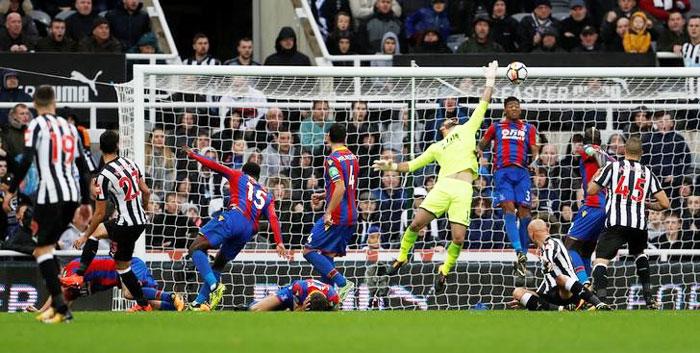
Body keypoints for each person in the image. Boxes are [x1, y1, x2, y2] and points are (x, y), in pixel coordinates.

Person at [375, 61, 498, 292]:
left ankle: (445, 270)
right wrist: (390, 165)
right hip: (443, 187)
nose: (452, 120)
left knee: (459, 238)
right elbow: (411, 166)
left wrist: (490, 80)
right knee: (415, 223)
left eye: (454, 118)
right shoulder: (436, 147)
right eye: (448, 120)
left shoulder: (467, 128)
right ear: (443, 126)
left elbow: (483, 104)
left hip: (463, 190)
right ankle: (401, 258)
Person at [2, 86, 93, 324]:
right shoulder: (70, 127)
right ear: (55, 102)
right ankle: (56, 306)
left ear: (35, 103)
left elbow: (28, 159)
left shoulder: (36, 125)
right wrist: (86, 202)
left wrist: (10, 191)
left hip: (49, 197)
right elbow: (83, 167)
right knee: (48, 248)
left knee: (42, 250)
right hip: (71, 195)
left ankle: (61, 309)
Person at [182, 146, 287, 311]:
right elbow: (273, 218)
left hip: (235, 217)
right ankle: (199, 302)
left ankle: (214, 285)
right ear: (258, 177)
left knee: (195, 248)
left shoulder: (238, 176)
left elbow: (214, 165)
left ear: (244, 171)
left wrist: (194, 155)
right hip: (248, 230)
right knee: (219, 262)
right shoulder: (267, 195)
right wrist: (279, 242)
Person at [60, 130, 152, 312]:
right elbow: (146, 191)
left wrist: (85, 236)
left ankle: (78, 275)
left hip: (126, 223)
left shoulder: (103, 176)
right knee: (123, 267)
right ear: (117, 146)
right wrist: (144, 208)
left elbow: (100, 213)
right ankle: (143, 304)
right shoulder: (130, 163)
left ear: (100, 148)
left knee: (95, 235)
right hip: (140, 222)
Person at [588, 136, 670, 308]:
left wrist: (596, 176)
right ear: (641, 153)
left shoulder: (612, 167)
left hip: (616, 223)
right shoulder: (648, 173)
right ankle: (649, 299)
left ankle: (602, 301)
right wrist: (646, 203)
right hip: (638, 224)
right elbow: (665, 203)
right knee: (639, 253)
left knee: (601, 260)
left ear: (624, 150)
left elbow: (592, 191)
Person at [479, 95, 539, 280]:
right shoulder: (496, 127)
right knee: (508, 208)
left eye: (517, 106)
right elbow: (482, 144)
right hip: (502, 172)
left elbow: (534, 147)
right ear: (505, 109)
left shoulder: (528, 128)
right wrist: (478, 153)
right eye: (511, 106)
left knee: (525, 213)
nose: (514, 109)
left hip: (522, 173)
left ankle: (522, 259)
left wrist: (535, 157)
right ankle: (519, 250)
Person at [304, 123, 358, 301]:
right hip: (351, 215)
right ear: (345, 138)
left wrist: (327, 212)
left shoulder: (331, 160)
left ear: (328, 136)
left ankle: (343, 283)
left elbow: (340, 187)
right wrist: (323, 194)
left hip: (337, 216)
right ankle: (330, 299)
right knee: (327, 256)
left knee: (309, 251)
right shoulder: (352, 157)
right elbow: (343, 186)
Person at [510, 219, 611, 311]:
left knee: (560, 278)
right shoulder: (542, 250)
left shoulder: (552, 243)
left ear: (531, 234)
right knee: (517, 292)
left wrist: (544, 263)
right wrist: (528, 300)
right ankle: (561, 309)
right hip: (551, 294)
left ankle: (598, 304)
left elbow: (548, 262)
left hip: (568, 292)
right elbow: (547, 278)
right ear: (546, 229)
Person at [36, 257, 185, 313]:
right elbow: (66, 299)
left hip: (128, 265)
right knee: (149, 302)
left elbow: (59, 291)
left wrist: (41, 310)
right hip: (123, 270)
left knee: (129, 293)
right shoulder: (74, 284)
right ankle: (178, 307)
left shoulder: (70, 269)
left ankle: (172, 296)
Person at [564, 128, 614, 285]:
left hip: (592, 206)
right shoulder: (610, 158)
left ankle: (584, 283)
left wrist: (592, 150)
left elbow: (591, 151)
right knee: (585, 252)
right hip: (605, 208)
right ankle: (588, 294)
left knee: (569, 248)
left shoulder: (587, 150)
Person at [249, 279, 339, 311]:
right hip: (290, 294)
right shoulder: (299, 288)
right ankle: (246, 306)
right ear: (306, 299)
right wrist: (302, 308)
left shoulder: (333, 297)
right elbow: (295, 312)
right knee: (255, 309)